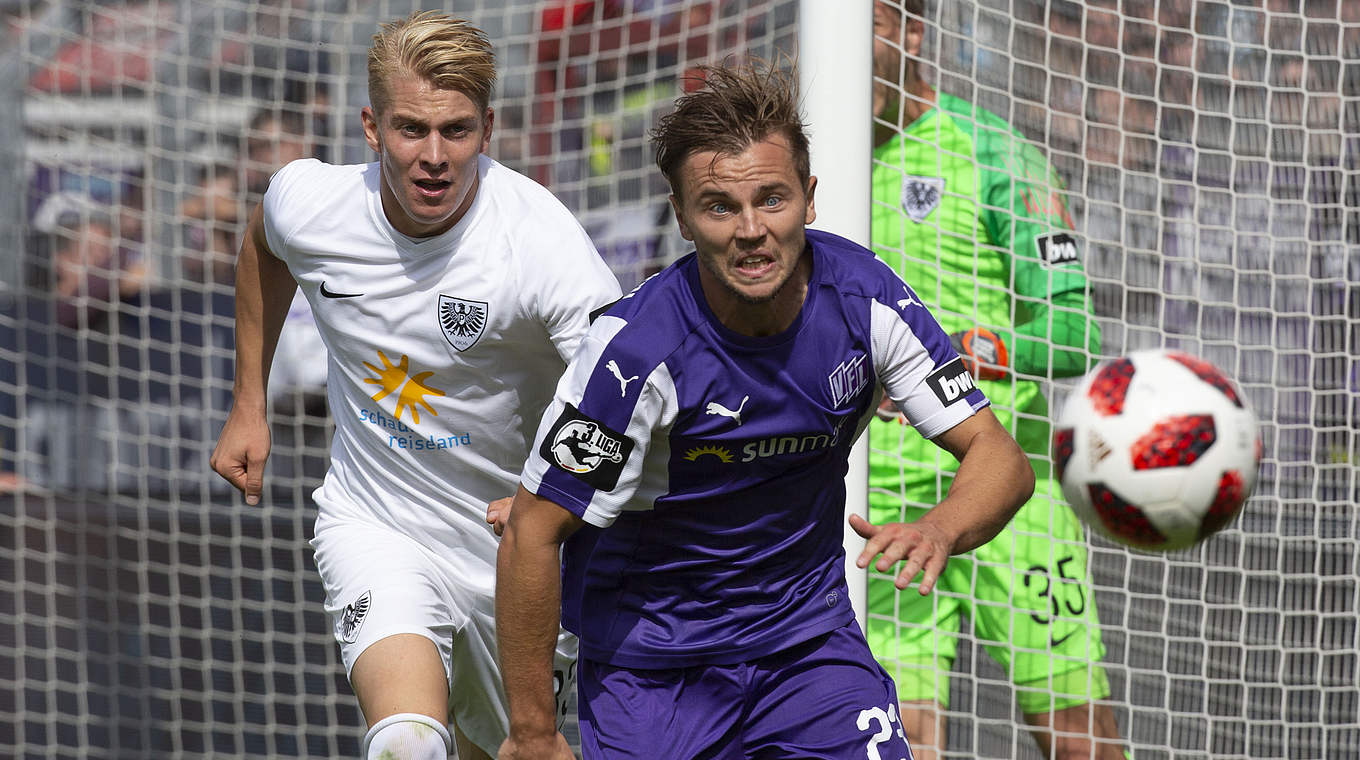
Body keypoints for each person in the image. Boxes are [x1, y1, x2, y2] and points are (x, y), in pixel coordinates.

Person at [496, 61, 1035, 760]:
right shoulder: (635, 354)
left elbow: (1000, 456)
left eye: (772, 199)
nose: (752, 230)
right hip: (652, 672)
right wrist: (534, 733)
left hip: (808, 653)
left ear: (809, 198)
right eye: (720, 206)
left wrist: (941, 528)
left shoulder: (868, 304)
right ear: (683, 216)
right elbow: (532, 535)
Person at [209, 11, 621, 760]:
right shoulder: (311, 202)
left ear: (488, 128)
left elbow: (622, 396)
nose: (434, 156)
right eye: (410, 129)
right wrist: (247, 405)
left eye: (457, 131)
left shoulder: (541, 246)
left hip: (516, 557)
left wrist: (556, 494)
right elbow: (263, 244)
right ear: (371, 127)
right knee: (406, 742)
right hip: (376, 523)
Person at [867, 3, 1125, 759]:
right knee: (901, 738)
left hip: (1010, 488)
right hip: (879, 500)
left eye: (866, 30)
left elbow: (1076, 334)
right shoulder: (814, 175)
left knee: (1077, 737)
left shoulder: (989, 151)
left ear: (908, 33)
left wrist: (980, 346)